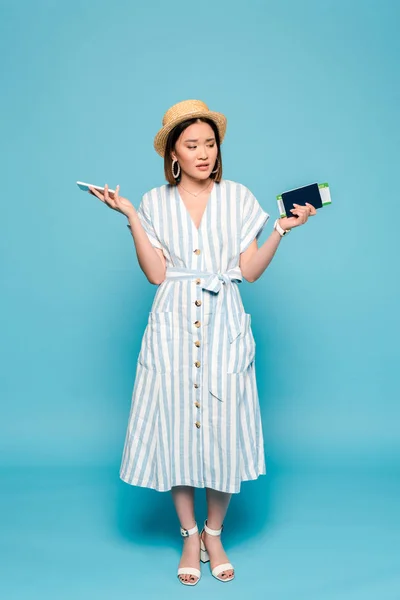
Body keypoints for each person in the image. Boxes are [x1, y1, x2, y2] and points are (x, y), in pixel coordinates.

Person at [88, 99, 316, 586]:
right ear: (173, 152)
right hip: (171, 322)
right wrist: (129, 213)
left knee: (222, 429)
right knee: (176, 428)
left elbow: (249, 270)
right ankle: (189, 533)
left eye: (209, 143)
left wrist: (280, 228)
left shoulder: (237, 197)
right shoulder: (153, 201)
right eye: (191, 145)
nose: (203, 153)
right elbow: (155, 274)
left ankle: (215, 532)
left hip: (223, 323)